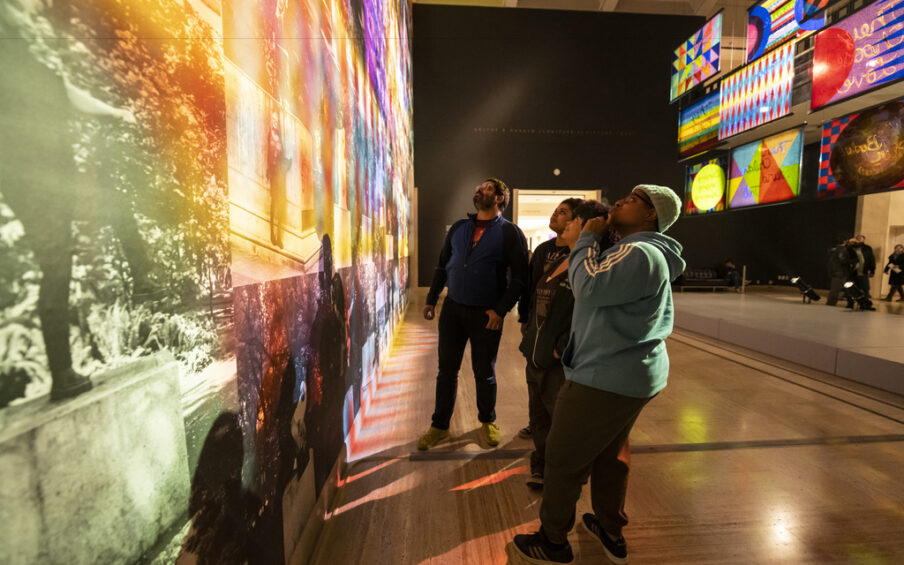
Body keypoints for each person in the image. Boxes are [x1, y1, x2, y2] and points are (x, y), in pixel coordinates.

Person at [509, 185, 685, 565]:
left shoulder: (641, 253)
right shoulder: (632, 251)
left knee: (562, 456)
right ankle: (609, 528)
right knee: (610, 454)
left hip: (606, 376)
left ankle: (553, 541)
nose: (622, 200)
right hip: (627, 375)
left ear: (652, 214)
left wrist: (587, 238)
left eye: (635, 200)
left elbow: (589, 289)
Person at [418, 178, 529, 450]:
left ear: (501, 198)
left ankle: (487, 420)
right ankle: (439, 425)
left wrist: (501, 310)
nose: (481, 190)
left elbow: (520, 279)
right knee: (446, 371)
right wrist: (432, 299)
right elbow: (442, 266)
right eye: (479, 188)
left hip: (486, 313)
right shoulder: (459, 228)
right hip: (453, 310)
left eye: (489, 188)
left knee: (484, 371)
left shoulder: (510, 233)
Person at [519, 200, 615, 490]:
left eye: (571, 219)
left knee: (562, 425)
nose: (566, 224)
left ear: (587, 227)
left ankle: (563, 476)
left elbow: (587, 315)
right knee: (539, 420)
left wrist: (561, 349)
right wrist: (530, 339)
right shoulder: (559, 256)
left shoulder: (593, 264)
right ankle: (543, 466)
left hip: (559, 361)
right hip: (536, 355)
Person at [516, 197, 585, 440]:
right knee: (537, 386)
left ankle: (555, 446)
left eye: (563, 212)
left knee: (554, 390)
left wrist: (561, 347)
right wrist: (525, 318)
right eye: (555, 210)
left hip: (559, 338)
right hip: (539, 329)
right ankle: (539, 432)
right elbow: (531, 286)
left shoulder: (579, 255)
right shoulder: (545, 251)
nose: (555, 215)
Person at [826, 238, 856, 307]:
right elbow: (842, 260)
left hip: (834, 271)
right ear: (844, 241)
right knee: (836, 289)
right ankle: (831, 303)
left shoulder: (834, 249)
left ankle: (830, 303)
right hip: (840, 272)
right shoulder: (842, 250)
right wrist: (853, 261)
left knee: (834, 289)